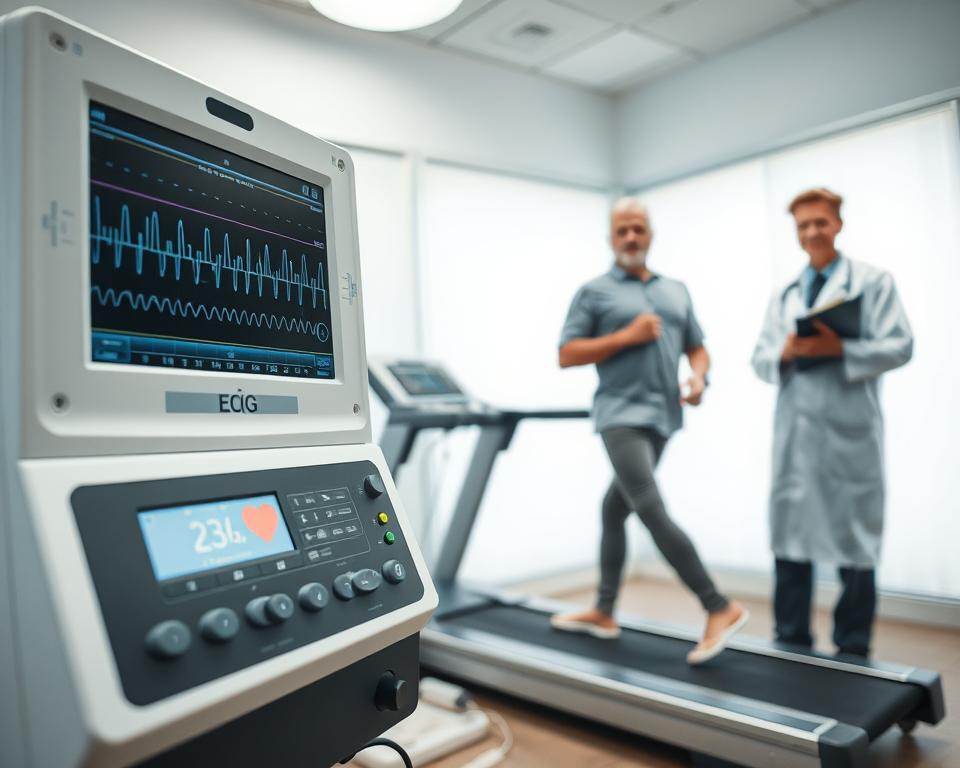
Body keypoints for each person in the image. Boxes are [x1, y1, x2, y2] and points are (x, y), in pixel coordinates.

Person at [551, 197, 747, 665]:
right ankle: (718, 606)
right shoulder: (594, 291)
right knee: (648, 506)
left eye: (638, 229)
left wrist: (700, 379)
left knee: (612, 509)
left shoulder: (676, 290)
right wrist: (626, 336)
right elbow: (567, 353)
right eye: (622, 230)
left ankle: (603, 610)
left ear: (650, 235)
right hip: (620, 414)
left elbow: (698, 349)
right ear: (611, 237)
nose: (631, 237)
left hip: (663, 419)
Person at [751, 187, 913, 657]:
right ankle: (791, 641)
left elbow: (900, 345)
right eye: (803, 225)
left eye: (820, 222)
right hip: (796, 439)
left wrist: (838, 348)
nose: (812, 232)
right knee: (791, 538)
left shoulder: (872, 282)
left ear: (837, 224)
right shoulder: (784, 294)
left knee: (855, 542)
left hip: (849, 436)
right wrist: (784, 352)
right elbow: (759, 359)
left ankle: (853, 647)